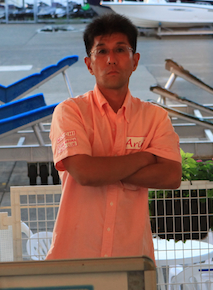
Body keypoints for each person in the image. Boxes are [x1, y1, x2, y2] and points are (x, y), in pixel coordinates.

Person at [45, 13, 182, 261]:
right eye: (101, 51)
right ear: (89, 64)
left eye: (120, 49)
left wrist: (103, 168)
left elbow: (171, 176)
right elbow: (85, 173)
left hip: (132, 258)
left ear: (135, 60)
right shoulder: (70, 112)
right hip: (75, 257)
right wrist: (144, 157)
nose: (111, 60)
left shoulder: (155, 117)